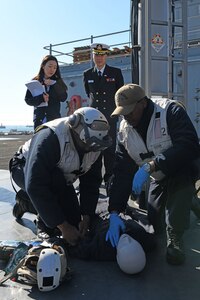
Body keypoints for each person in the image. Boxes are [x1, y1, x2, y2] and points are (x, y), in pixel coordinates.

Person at [105, 83, 200, 265]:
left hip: (183, 167)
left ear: (143, 103)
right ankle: (192, 202)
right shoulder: (124, 131)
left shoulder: (169, 111)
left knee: (178, 193)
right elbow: (122, 173)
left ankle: (176, 238)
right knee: (155, 222)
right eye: (123, 113)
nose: (127, 117)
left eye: (130, 111)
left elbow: (189, 144)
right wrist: (114, 211)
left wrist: (153, 165)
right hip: (158, 177)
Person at [9, 107, 112, 245]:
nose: (90, 149)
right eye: (87, 144)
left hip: (60, 177)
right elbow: (36, 184)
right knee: (56, 223)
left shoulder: (94, 145)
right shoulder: (50, 137)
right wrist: (63, 227)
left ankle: (28, 203)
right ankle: (31, 208)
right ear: (76, 131)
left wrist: (86, 216)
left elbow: (91, 182)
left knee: (75, 222)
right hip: (24, 168)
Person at [83, 43, 124, 191]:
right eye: (96, 54)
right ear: (93, 56)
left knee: (110, 150)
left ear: (106, 56)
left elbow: (120, 96)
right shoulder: (87, 74)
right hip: (94, 119)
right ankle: (95, 180)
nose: (99, 58)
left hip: (110, 118)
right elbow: (90, 95)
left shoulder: (115, 73)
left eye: (102, 55)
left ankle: (110, 179)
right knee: (94, 150)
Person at [25, 55, 68, 129]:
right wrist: (41, 98)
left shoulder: (58, 82)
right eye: (50, 66)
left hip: (54, 120)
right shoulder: (35, 81)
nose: (52, 70)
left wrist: (54, 84)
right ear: (43, 66)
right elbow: (28, 100)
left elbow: (63, 98)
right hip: (39, 120)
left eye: (55, 67)